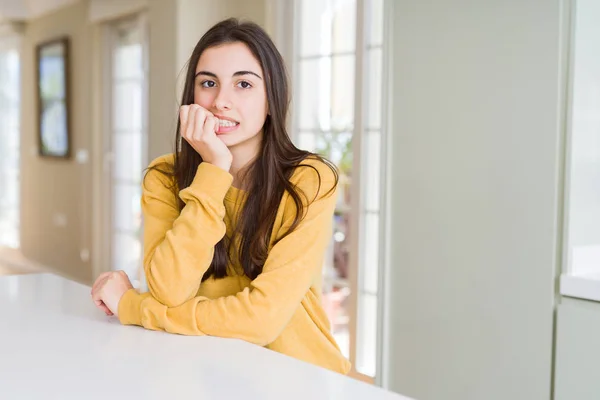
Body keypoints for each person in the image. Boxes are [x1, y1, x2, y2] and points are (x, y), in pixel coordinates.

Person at [90, 18, 351, 375]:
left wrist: (133, 306)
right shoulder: (164, 178)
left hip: (298, 376)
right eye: (208, 83)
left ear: (271, 99)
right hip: (200, 371)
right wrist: (214, 169)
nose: (220, 102)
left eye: (243, 84)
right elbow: (169, 290)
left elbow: (261, 320)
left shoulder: (309, 180)